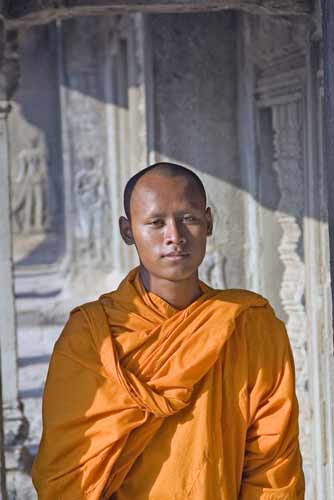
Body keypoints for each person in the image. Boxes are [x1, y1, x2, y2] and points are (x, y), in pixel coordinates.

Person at [32, 162, 305, 499]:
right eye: (156, 223)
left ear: (209, 222)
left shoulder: (249, 324)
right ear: (128, 231)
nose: (174, 236)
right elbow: (68, 472)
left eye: (188, 218)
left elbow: (273, 462)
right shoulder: (92, 336)